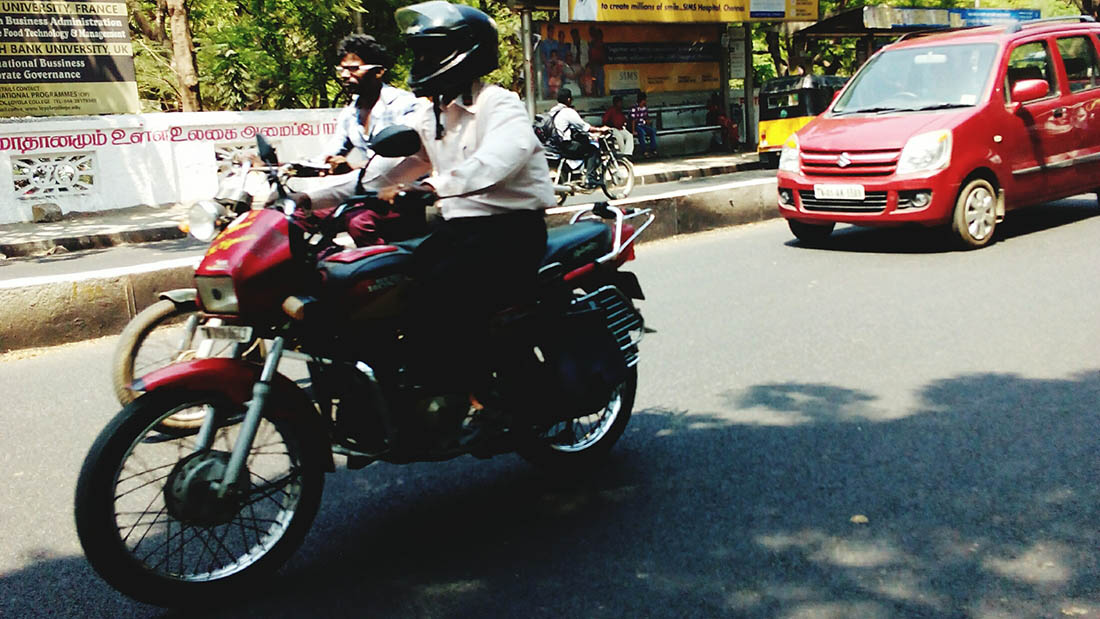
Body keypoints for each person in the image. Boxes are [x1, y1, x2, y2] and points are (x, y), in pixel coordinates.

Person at [380, 0, 552, 405]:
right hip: (460, 232)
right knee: (396, 281)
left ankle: (479, 394)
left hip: (512, 231)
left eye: (430, 51)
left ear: (463, 52)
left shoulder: (498, 103)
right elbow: (387, 171)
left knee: (445, 292)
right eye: (419, 52)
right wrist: (306, 193)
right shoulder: (430, 114)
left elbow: (500, 159)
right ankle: (415, 387)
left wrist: (435, 186)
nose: (422, 60)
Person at [299, 34, 424, 246]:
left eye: (353, 69)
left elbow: (409, 157)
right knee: (298, 214)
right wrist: (280, 166)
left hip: (400, 192)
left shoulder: (406, 105)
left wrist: (353, 167)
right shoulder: (350, 113)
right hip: (362, 191)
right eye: (342, 70)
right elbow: (330, 154)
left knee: (358, 222)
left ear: (379, 71)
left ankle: (386, 274)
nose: (345, 75)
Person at [548, 87, 607, 188]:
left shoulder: (553, 111)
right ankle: (590, 178)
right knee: (592, 150)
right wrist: (600, 129)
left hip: (555, 145)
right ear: (569, 100)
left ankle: (579, 175)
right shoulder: (568, 112)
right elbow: (584, 127)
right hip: (566, 146)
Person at [629, 91, 658, 158]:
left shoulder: (645, 108)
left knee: (652, 131)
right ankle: (644, 151)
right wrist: (633, 130)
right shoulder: (634, 108)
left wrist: (649, 125)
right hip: (637, 125)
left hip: (643, 125)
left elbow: (646, 118)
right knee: (641, 133)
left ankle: (653, 149)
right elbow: (633, 120)